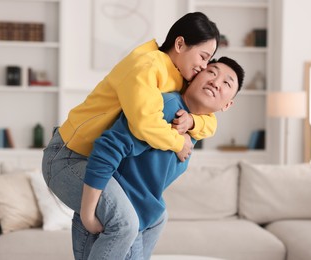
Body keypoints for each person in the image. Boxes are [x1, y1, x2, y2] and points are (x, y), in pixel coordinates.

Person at [42, 12, 220, 260]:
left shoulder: (178, 75)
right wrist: (179, 142)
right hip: (68, 156)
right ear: (180, 44)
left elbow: (210, 118)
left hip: (98, 163)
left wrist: (194, 120)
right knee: (125, 223)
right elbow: (144, 125)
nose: (204, 66)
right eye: (203, 57)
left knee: (156, 216)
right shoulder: (147, 65)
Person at [76, 57, 245, 259]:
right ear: (193, 77)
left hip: (141, 215)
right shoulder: (166, 107)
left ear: (227, 105)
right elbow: (108, 148)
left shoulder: (196, 126)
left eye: (226, 83)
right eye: (212, 72)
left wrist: (191, 124)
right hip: (116, 214)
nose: (215, 82)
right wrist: (89, 212)